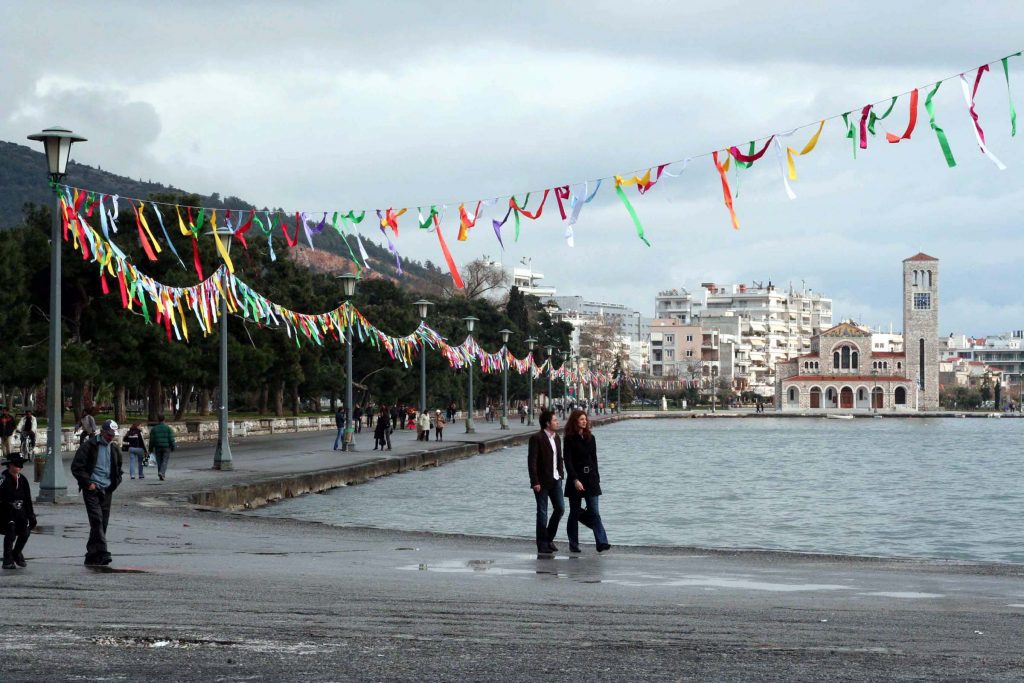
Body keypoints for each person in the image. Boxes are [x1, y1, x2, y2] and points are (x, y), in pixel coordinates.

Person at [70, 419, 123, 567]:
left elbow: (118, 469)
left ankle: (92, 554)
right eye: (108, 434)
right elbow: (76, 467)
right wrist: (88, 484)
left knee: (102, 523)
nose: (111, 437)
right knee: (97, 520)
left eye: (113, 435)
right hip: (92, 490)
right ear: (102, 432)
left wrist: (114, 484)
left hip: (107, 490)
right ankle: (103, 553)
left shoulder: (114, 449)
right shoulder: (89, 446)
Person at [563, 409, 610, 553]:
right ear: (575, 421)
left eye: (585, 419)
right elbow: (568, 462)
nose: (585, 421)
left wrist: (597, 478)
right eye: (582, 419)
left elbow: (594, 459)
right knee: (575, 512)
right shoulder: (569, 439)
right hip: (576, 479)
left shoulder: (591, 438)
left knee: (594, 511)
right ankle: (574, 543)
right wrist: (575, 479)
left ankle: (601, 542)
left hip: (591, 479)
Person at [527, 409, 564, 555]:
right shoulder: (537, 438)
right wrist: (534, 481)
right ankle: (542, 543)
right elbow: (532, 461)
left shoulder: (557, 438)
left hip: (556, 479)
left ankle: (548, 538)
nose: (557, 422)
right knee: (542, 512)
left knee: (560, 508)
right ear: (547, 423)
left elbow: (559, 458)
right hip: (541, 482)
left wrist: (561, 474)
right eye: (555, 420)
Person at [0, 453, 37, 569]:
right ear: (10, 465)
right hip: (5, 512)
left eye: (21, 465)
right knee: (10, 531)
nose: (19, 467)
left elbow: (27, 499)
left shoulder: (23, 480)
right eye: (17, 465)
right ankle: (7, 559)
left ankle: (16, 553)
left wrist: (31, 516)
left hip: (20, 512)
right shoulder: (3, 479)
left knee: (25, 532)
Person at [148, 415, 176, 481]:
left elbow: (151, 440)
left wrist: (150, 448)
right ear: (164, 419)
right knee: (164, 461)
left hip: (157, 447)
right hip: (166, 447)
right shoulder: (168, 428)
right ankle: (162, 473)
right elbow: (171, 439)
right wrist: (173, 446)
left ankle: (160, 474)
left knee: (159, 461)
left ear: (158, 419)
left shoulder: (154, 429)